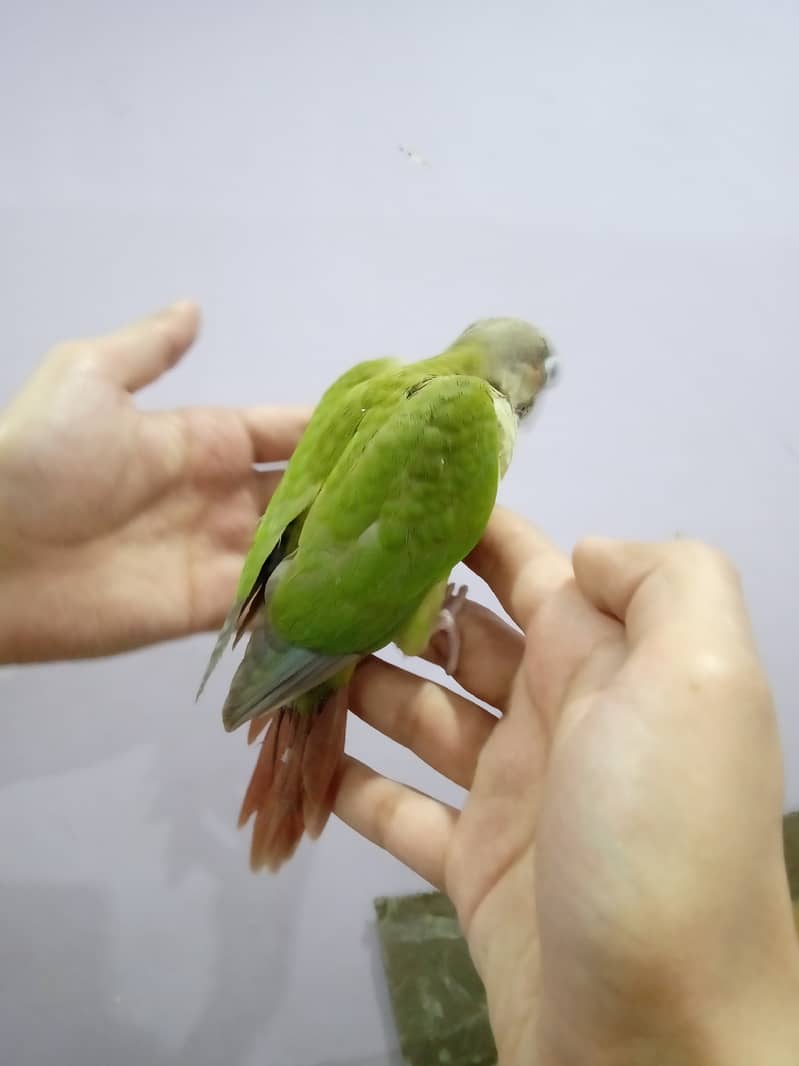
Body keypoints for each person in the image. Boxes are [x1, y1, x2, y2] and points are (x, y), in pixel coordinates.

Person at [1, 303, 797, 1065]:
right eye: (539, 378)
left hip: (307, 598)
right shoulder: (462, 418)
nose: (536, 396)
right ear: (519, 373)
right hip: (329, 623)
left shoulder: (370, 381)